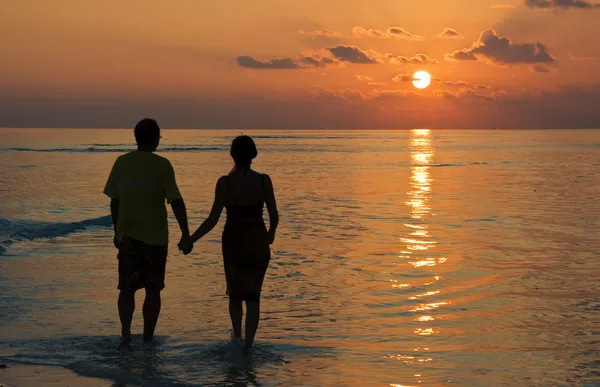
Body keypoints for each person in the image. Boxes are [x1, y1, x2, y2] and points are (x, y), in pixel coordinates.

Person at [179, 135, 279, 355]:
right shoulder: (264, 180)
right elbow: (274, 215)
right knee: (254, 296)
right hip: (257, 239)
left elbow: (212, 219)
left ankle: (237, 338)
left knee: (235, 294)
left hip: (234, 240)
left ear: (232, 155)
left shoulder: (225, 183)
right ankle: (248, 348)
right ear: (253, 154)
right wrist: (270, 234)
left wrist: (190, 239)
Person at [103, 118, 191, 350]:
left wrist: (116, 231)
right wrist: (186, 233)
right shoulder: (162, 165)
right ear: (155, 138)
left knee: (127, 288)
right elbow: (175, 200)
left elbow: (114, 201)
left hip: (128, 235)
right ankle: (148, 339)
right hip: (155, 237)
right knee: (153, 290)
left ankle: (125, 336)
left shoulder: (121, 162)